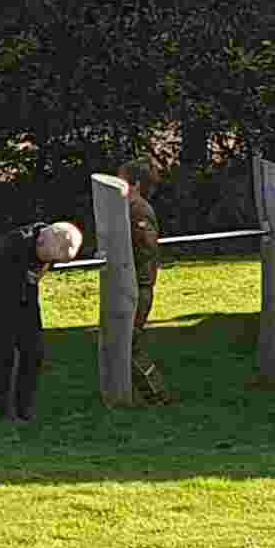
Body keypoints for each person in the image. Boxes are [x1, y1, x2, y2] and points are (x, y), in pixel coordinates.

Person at [0, 219, 84, 422]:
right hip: (0, 303)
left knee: (34, 353)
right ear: (40, 241)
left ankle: (25, 409)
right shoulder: (11, 245)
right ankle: (4, 411)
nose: (50, 262)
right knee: (3, 356)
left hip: (27, 303)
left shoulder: (53, 239)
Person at [118, 159, 174, 406]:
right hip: (131, 284)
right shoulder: (128, 207)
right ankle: (143, 395)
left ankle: (157, 395)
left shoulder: (137, 209)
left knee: (130, 345)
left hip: (138, 286)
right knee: (126, 343)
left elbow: (146, 248)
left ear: (136, 183)